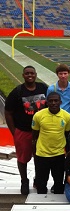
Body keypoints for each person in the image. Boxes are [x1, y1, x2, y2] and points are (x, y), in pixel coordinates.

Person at [4, 65, 48, 195]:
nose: (30, 75)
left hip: (41, 132)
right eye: (27, 73)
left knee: (40, 158)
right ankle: (24, 180)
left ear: (35, 74)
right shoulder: (17, 92)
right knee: (23, 158)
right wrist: (14, 131)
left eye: (32, 73)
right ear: (23, 75)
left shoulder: (43, 88)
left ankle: (38, 179)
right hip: (24, 131)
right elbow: (8, 112)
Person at [32, 92, 70, 194]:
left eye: (56, 101)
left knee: (59, 185)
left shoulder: (67, 117)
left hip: (58, 154)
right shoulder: (38, 115)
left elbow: (66, 133)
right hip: (42, 154)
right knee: (41, 185)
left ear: (60, 102)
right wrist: (35, 153)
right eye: (51, 101)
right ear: (46, 102)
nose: (53, 103)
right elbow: (35, 134)